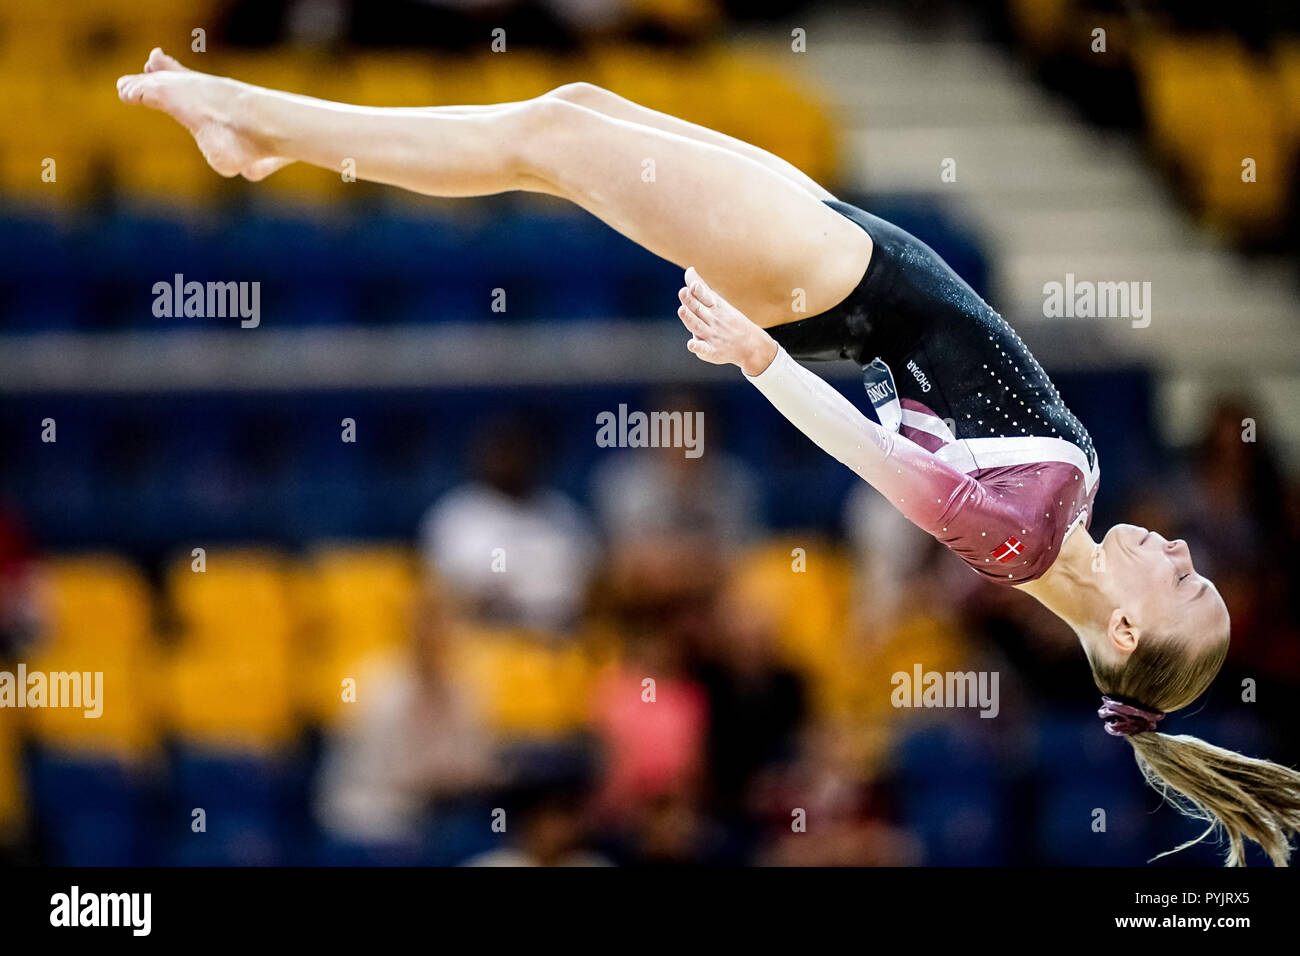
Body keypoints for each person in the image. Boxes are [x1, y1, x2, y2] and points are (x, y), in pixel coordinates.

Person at [118, 48, 1300, 864]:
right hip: (845, 259)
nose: (1191, 551)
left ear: (1128, 635)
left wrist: (760, 362)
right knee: (568, 114)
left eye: (1186, 586)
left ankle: (257, 127)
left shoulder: (1024, 534)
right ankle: (263, 132)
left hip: (822, 280)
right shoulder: (1064, 511)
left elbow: (878, 463)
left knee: (550, 139)